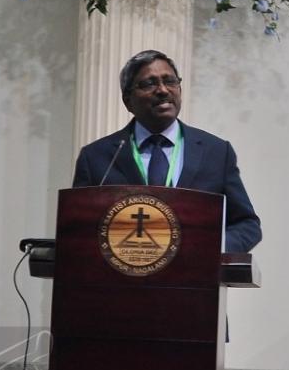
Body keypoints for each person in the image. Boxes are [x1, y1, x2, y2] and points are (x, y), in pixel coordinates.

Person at [72, 50, 262, 253]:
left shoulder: (216, 152)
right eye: (149, 83)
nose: (162, 90)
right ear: (128, 100)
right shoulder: (96, 157)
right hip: (119, 279)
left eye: (169, 81)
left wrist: (210, 249)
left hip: (193, 278)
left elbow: (246, 224)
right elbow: (75, 229)